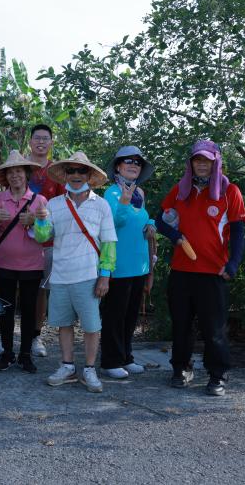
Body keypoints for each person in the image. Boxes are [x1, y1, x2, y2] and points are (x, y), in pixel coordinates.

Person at [155, 140, 245, 396]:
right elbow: (159, 221)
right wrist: (175, 236)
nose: (202, 165)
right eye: (197, 160)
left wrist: (233, 264)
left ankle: (218, 374)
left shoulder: (230, 192)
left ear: (216, 162)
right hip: (181, 270)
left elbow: (238, 232)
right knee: (181, 325)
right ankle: (181, 368)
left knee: (213, 328)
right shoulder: (180, 190)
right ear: (191, 163)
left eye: (207, 160)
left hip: (213, 272)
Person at [33, 151, 117, 393]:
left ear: (89, 175)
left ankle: (89, 369)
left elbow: (109, 242)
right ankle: (67, 365)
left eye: (82, 171)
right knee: (64, 324)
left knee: (92, 326)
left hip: (89, 276)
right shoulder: (53, 204)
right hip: (60, 275)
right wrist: (40, 221)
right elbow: (43, 238)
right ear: (65, 175)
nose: (77, 175)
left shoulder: (101, 205)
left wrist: (105, 276)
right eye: (71, 170)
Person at [0, 124, 65, 358]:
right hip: (7, 253)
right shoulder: (5, 186)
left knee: (38, 294)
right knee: (6, 299)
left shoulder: (53, 173)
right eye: (36, 138)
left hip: (39, 247)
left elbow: (57, 209)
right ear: (30, 142)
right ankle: (7, 344)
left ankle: (33, 339)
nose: (41, 142)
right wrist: (3, 206)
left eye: (45, 138)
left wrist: (38, 220)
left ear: (51, 142)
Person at [0, 151, 48, 373]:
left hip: (32, 265)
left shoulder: (39, 201)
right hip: (4, 264)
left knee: (29, 311)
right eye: (10, 173)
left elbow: (46, 236)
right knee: (5, 309)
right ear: (5, 177)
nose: (15, 176)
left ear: (27, 174)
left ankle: (26, 355)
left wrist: (35, 222)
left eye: (19, 171)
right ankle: (8, 353)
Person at [100, 146, 156, 379]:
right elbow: (113, 223)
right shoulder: (111, 194)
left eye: (138, 162)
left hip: (139, 263)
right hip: (118, 264)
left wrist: (151, 222)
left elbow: (141, 218)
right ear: (118, 166)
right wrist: (123, 202)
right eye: (128, 161)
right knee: (115, 314)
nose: (133, 165)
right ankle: (111, 361)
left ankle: (126, 356)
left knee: (131, 314)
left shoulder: (140, 193)